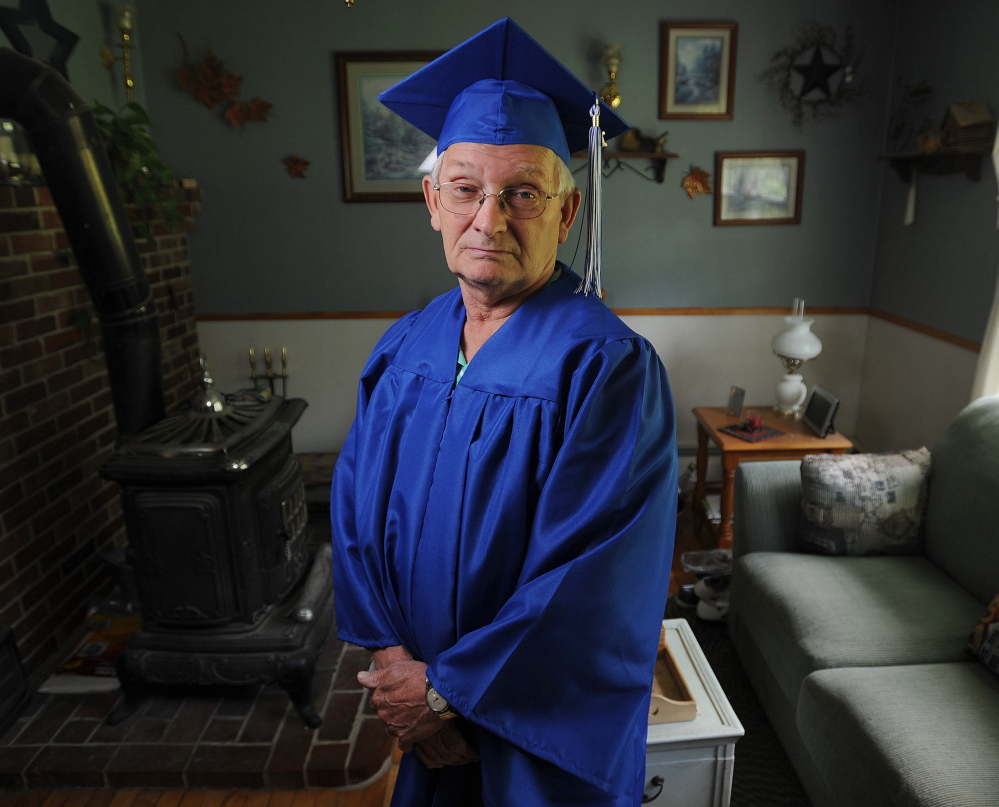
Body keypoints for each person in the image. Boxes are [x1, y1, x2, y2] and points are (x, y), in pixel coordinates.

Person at [330, 18, 679, 806]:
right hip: (416, 705)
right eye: (465, 189)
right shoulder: (404, 347)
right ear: (431, 199)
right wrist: (393, 668)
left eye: (522, 193)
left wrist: (446, 692)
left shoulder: (606, 366)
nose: (488, 220)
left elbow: (596, 580)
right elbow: (351, 508)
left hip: (534, 731)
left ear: (566, 211)